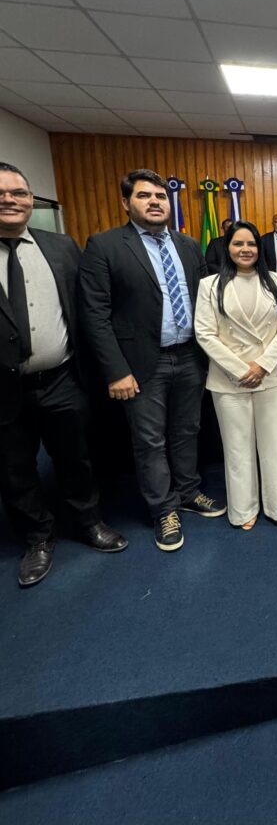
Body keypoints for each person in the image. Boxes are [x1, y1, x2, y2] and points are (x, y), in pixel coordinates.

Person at [79, 169, 224, 553]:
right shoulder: (105, 245)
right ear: (126, 203)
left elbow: (206, 302)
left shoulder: (189, 245)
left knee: (188, 430)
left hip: (190, 356)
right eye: (144, 196)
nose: (155, 202)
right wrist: (116, 370)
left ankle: (188, 492)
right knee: (150, 440)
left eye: (160, 196)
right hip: (142, 364)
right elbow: (94, 314)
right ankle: (164, 508)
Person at [0, 162, 126, 587]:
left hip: (61, 378)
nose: (10, 200)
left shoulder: (62, 247)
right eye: (1, 194)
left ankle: (89, 522)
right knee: (14, 468)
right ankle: (37, 538)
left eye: (18, 193)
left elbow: (87, 310)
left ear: (30, 200)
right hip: (4, 388)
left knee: (76, 458)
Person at [195, 220, 277, 528]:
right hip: (229, 379)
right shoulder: (210, 285)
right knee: (237, 448)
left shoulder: (276, 281)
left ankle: (275, 506)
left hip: (270, 375)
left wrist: (262, 365)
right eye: (238, 243)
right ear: (227, 248)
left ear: (259, 248)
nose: (245, 249)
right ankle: (243, 510)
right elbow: (204, 333)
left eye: (251, 243)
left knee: (273, 445)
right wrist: (241, 369)